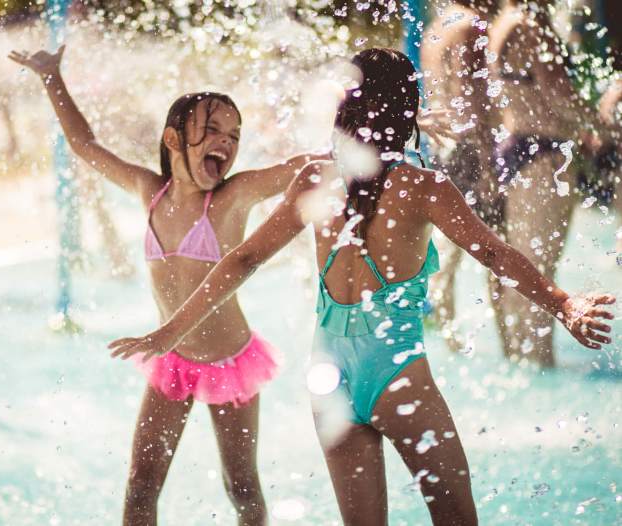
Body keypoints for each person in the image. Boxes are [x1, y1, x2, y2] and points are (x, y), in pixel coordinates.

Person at [109, 49, 615, 525]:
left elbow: (243, 259)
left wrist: (168, 332)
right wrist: (563, 303)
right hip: (396, 376)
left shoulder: (315, 180)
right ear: (407, 110)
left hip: (329, 382)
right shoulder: (424, 188)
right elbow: (494, 254)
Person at [9, 44, 328, 526]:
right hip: (171, 361)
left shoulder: (233, 197)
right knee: (141, 485)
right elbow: (86, 146)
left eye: (234, 135)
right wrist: (51, 76)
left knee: (241, 485)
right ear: (173, 139)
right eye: (213, 129)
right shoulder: (148, 192)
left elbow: (302, 169)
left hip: (230, 363)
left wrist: (377, 141)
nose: (227, 141)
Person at [488, 0, 620, 366]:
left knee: (523, 268)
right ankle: (539, 369)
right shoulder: (532, 26)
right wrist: (604, 126)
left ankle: (518, 362)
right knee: (540, 271)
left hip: (516, 147)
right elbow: (558, 95)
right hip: (542, 155)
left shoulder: (503, 21)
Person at [421, 0, 504, 353]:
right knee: (498, 249)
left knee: (445, 255)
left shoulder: (436, 27)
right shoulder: (472, 26)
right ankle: (510, 345)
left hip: (443, 148)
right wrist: (488, 161)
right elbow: (471, 97)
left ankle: (450, 343)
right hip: (471, 147)